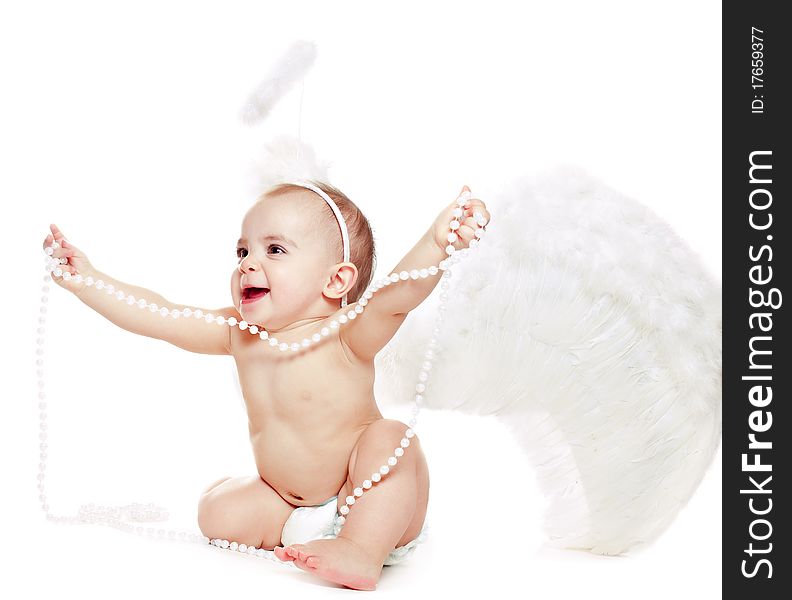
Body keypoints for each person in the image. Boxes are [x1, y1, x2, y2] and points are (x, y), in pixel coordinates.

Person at [42, 180, 490, 591]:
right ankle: (309, 539)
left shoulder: (347, 331)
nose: (248, 264)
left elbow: (396, 296)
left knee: (393, 440)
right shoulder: (238, 332)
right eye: (242, 252)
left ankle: (361, 551)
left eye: (274, 250)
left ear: (336, 280)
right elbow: (160, 315)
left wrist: (437, 243)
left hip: (369, 501)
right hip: (288, 506)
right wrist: (88, 281)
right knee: (215, 513)